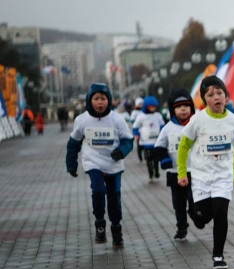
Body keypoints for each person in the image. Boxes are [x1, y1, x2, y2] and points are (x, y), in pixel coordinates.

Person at [176, 75, 234, 269]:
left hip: (223, 177)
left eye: (219, 93)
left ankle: (218, 255)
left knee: (221, 212)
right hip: (201, 177)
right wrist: (182, 173)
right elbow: (183, 147)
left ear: (226, 96)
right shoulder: (198, 120)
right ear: (204, 99)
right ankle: (193, 211)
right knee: (203, 218)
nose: (216, 97)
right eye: (210, 95)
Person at [65, 83, 134, 248]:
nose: (100, 102)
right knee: (98, 191)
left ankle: (116, 229)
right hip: (93, 162)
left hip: (113, 164)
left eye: (103, 98)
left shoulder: (117, 119)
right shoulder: (82, 120)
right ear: (90, 100)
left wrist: (122, 151)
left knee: (114, 197)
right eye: (96, 98)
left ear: (109, 100)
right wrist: (71, 164)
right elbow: (73, 144)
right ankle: (100, 223)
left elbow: (128, 140)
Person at [154, 89, 196, 240]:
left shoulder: (197, 125)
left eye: (186, 106)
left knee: (194, 199)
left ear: (191, 107)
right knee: (179, 203)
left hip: (195, 171)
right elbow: (159, 147)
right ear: (173, 110)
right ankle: (181, 227)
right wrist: (164, 160)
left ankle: (195, 214)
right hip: (175, 172)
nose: (183, 109)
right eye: (179, 107)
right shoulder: (167, 128)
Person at [132, 96, 164, 182]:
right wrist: (136, 135)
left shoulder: (158, 115)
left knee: (156, 159)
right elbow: (135, 126)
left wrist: (163, 133)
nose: (153, 108)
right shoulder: (141, 116)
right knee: (149, 159)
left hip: (156, 141)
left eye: (154, 106)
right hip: (146, 142)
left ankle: (156, 171)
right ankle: (151, 173)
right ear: (146, 106)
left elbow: (162, 125)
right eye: (151, 106)